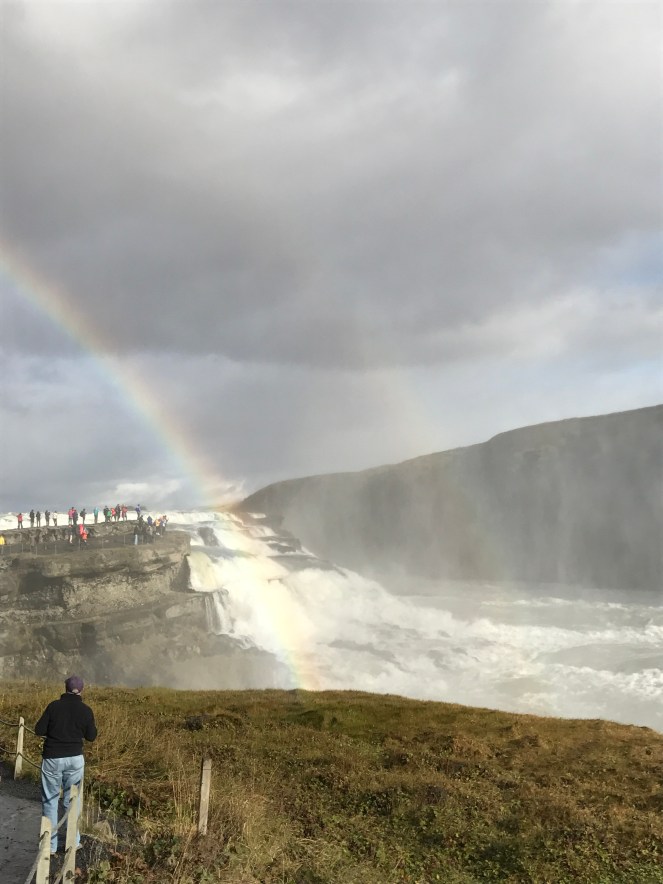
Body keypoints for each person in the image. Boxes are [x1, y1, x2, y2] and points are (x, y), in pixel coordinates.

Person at [35, 675, 97, 855]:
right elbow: (91, 736)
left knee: (50, 800)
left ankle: (50, 846)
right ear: (82, 690)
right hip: (75, 758)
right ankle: (72, 842)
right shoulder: (86, 710)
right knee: (73, 800)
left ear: (65, 688)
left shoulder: (53, 706)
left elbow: (39, 730)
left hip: (53, 757)